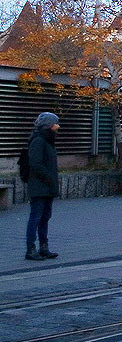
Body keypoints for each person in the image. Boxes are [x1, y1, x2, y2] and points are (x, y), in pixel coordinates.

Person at [25, 112, 61, 261]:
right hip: (39, 186)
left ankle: (43, 247)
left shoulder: (47, 140)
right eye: (56, 123)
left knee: (45, 217)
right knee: (36, 217)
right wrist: (49, 177)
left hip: (46, 186)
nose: (58, 126)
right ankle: (31, 248)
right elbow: (35, 163)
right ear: (48, 125)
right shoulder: (39, 140)